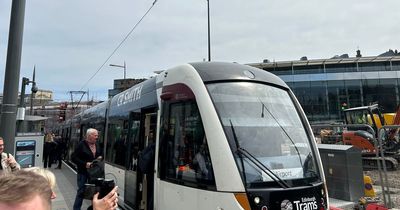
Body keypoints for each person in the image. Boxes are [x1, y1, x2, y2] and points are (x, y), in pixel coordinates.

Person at [72, 128, 104, 210]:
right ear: (89, 136)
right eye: (95, 135)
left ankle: (93, 208)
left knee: (94, 191)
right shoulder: (81, 145)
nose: (97, 137)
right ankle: (76, 208)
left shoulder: (97, 144)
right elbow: (74, 158)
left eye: (97, 135)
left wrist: (100, 157)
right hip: (83, 173)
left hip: (94, 173)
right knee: (81, 191)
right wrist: (85, 164)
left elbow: (100, 154)